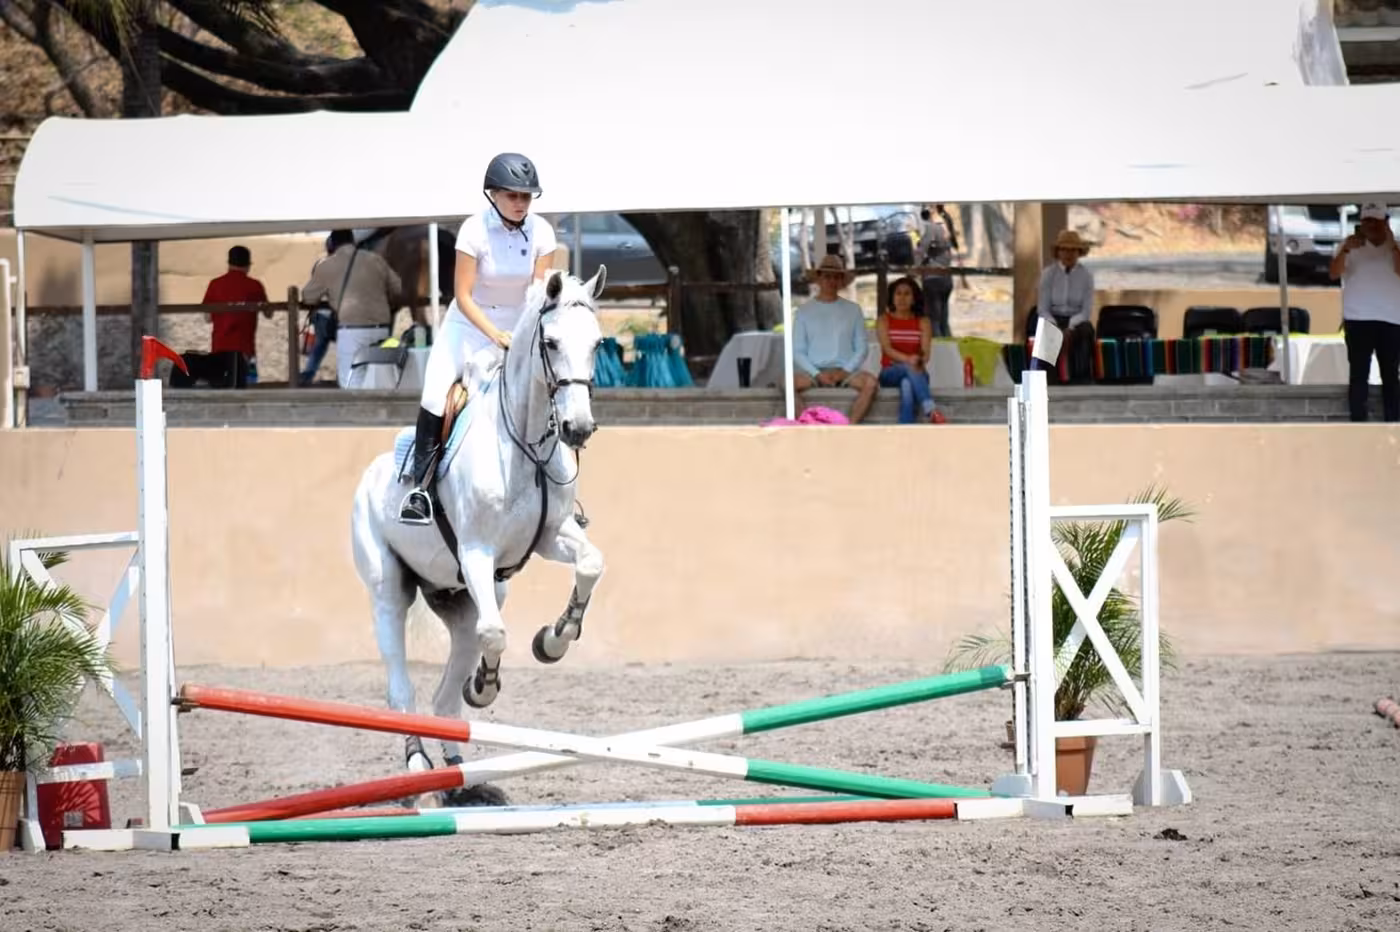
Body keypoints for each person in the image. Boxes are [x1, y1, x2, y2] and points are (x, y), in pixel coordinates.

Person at [399, 152, 558, 525]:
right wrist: (494, 334)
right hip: (469, 327)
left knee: (549, 389)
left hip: (517, 330)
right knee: (436, 393)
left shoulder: (543, 232)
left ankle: (556, 488)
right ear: (493, 194)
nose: (521, 204)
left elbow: (538, 295)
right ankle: (420, 489)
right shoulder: (474, 230)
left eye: (526, 197)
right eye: (513, 196)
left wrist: (519, 338)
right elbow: (464, 296)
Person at [301, 229, 403, 388]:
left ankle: (361, 413)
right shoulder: (376, 260)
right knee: (379, 381)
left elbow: (308, 297)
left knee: (351, 383)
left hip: (352, 332)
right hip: (381, 329)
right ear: (353, 241)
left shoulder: (326, 265)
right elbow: (398, 289)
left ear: (332, 244)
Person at [1329, 202, 1400, 422]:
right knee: (1359, 374)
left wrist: (1392, 244)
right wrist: (1346, 250)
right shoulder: (1348, 246)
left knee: (1391, 375)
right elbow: (1333, 274)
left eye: (1376, 221)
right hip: (1358, 319)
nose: (1370, 226)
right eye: (1366, 221)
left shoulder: (1396, 247)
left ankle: (1394, 423)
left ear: (1386, 222)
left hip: (1391, 319)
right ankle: (1358, 423)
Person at [792, 254, 878, 424]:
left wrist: (845, 371)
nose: (831, 281)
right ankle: (809, 425)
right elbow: (797, 350)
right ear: (819, 279)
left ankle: (848, 427)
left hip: (845, 371)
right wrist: (817, 373)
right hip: (814, 371)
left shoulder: (853, 310)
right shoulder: (804, 311)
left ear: (841, 281)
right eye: (827, 276)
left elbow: (861, 347)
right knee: (786, 384)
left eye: (836, 277)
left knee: (871, 383)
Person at [876, 276, 945, 424]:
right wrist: (908, 360)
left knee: (907, 385)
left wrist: (916, 361)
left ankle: (906, 429)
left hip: (917, 371)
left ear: (914, 298)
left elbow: (925, 354)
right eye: (898, 293)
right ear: (892, 297)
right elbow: (887, 349)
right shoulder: (884, 320)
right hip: (889, 373)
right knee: (908, 370)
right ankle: (931, 409)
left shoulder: (923, 322)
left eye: (907, 294)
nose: (902, 298)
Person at [202, 245, 270, 385]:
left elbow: (207, 318)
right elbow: (268, 313)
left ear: (229, 263)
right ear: (248, 265)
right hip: (246, 350)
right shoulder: (255, 285)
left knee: (219, 387)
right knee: (248, 388)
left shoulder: (215, 284)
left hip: (219, 348)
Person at [1035, 229, 1096, 383]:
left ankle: (1081, 378)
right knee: (1047, 331)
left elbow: (1086, 311)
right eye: (1064, 249)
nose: (1068, 254)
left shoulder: (1086, 276)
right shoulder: (1048, 274)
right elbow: (1043, 308)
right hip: (1053, 318)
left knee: (1086, 330)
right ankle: (1049, 381)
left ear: (1079, 252)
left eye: (1073, 250)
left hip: (1076, 320)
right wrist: (1056, 326)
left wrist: (1070, 327)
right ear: (1058, 252)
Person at [918, 204, 957, 338]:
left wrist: (911, 271)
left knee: (933, 319)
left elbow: (921, 251)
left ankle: (939, 350)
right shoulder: (946, 226)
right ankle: (949, 347)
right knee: (943, 319)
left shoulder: (932, 228)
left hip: (933, 279)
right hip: (946, 278)